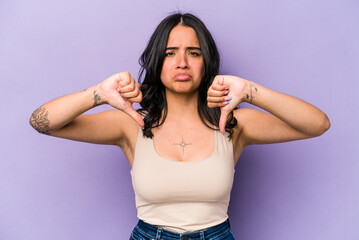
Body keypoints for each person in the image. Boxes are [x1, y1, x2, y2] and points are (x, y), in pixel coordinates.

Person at [29, 12, 330, 240]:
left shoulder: (232, 123)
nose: (182, 62)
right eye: (171, 53)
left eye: (194, 53)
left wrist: (250, 90)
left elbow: (318, 124)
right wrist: (97, 93)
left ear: (206, 62)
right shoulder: (131, 123)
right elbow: (41, 121)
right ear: (157, 61)